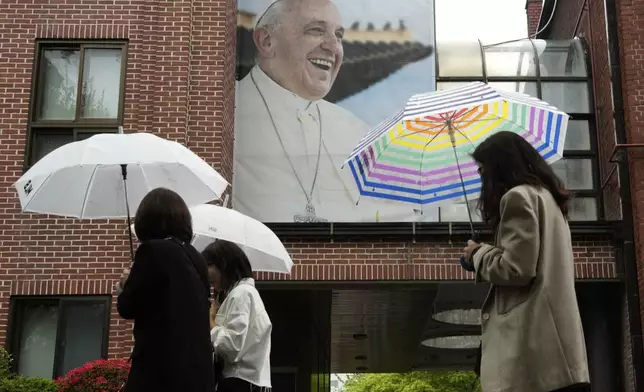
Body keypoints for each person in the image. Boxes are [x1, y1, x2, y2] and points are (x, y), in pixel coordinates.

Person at [461, 131, 590, 392]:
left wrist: (477, 254)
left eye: (482, 169)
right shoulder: (549, 199)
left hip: (533, 360)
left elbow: (516, 269)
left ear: (499, 166)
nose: (480, 176)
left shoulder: (516, 198)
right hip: (559, 358)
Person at [233, 0, 372, 223]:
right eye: (316, 30)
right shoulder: (228, 115)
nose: (333, 47)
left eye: (338, 35)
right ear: (266, 41)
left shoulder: (357, 134)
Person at [116, 188, 215, 392]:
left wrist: (126, 284)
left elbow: (128, 307)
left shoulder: (152, 251)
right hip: (198, 374)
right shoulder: (197, 258)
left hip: (160, 373)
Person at [202, 240, 272, 392]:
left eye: (208, 266)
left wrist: (211, 321)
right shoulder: (242, 294)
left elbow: (231, 346)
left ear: (223, 264)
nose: (205, 274)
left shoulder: (241, 294)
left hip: (240, 381)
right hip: (247, 381)